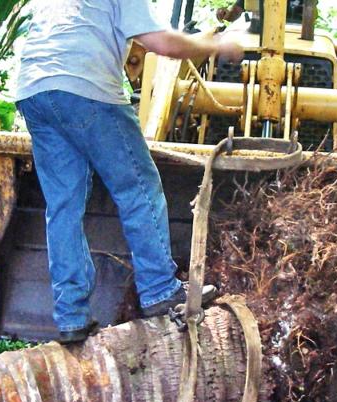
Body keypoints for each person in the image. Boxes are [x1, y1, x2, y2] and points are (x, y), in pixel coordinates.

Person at [15, 0, 244, 344]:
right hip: (84, 86)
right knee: (138, 187)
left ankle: (71, 315)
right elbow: (163, 43)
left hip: (33, 90)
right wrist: (216, 44)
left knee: (63, 206)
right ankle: (159, 288)